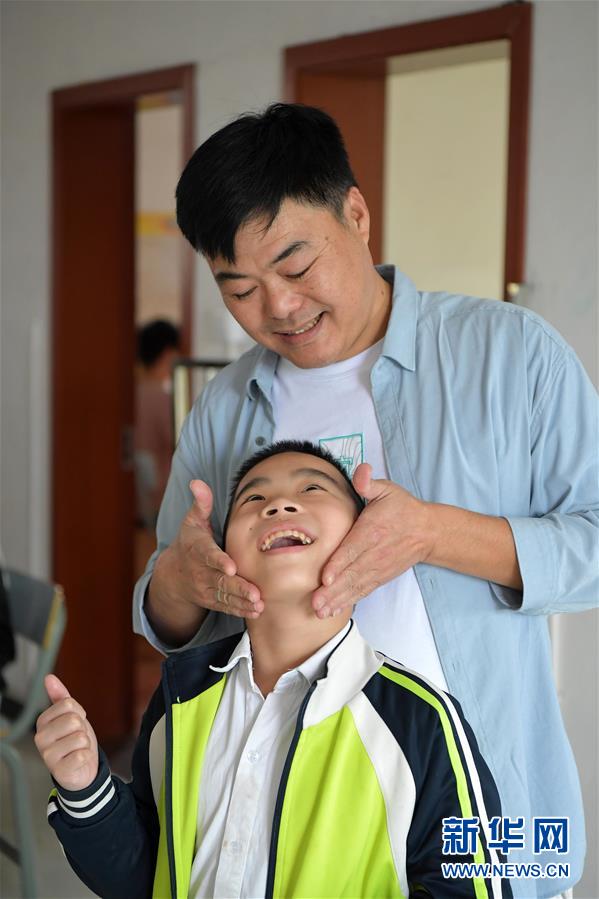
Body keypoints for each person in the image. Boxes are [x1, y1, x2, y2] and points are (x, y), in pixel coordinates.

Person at [133, 104, 598, 897]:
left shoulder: (508, 353)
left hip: (490, 817)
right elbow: (168, 614)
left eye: (295, 266)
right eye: (240, 289)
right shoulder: (225, 404)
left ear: (355, 213)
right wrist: (179, 581)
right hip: (292, 827)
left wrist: (432, 534)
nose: (278, 307)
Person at [37, 442, 513, 898]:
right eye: (254, 498)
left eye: (312, 489)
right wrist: (86, 788)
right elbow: (145, 875)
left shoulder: (423, 721)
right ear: (224, 554)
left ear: (362, 538)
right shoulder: (180, 697)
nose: (280, 505)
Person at [135, 319, 180, 527]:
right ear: (168, 353)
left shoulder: (130, 394)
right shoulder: (163, 399)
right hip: (158, 497)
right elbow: (177, 442)